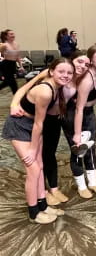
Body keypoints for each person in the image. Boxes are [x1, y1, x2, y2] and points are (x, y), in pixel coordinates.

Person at [10, 51, 90, 206]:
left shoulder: (79, 78)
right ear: (72, 61)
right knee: (40, 157)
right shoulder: (54, 73)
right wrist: (14, 103)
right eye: (80, 62)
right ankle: (43, 192)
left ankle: (53, 189)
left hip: (55, 119)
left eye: (86, 64)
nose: (83, 66)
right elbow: (25, 87)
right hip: (40, 118)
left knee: (49, 154)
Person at [2, 58, 73, 224]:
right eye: (61, 72)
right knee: (33, 169)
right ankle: (33, 213)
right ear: (52, 72)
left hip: (32, 127)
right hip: (19, 126)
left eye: (69, 72)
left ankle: (43, 205)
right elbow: (39, 123)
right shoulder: (46, 91)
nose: (66, 75)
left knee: (40, 167)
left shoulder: (55, 86)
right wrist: (33, 150)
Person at [63, 45, 96, 198]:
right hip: (74, 116)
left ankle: (93, 183)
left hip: (89, 114)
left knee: (90, 147)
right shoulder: (87, 79)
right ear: (91, 61)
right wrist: (76, 133)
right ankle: (82, 186)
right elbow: (78, 109)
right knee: (78, 149)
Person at [0, 29, 24, 94]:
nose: (13, 35)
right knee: (13, 83)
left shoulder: (16, 44)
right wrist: (1, 58)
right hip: (5, 65)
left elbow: (18, 56)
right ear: (6, 36)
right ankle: (17, 99)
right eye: (11, 34)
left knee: (7, 82)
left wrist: (21, 66)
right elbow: (1, 52)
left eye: (13, 34)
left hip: (13, 65)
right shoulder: (4, 45)